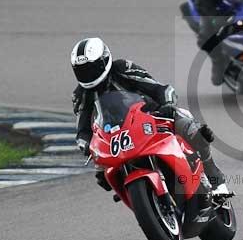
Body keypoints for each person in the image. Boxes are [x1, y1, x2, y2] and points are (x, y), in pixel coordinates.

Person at [70, 37, 231, 203]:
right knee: (102, 174)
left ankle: (216, 181)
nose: (88, 74)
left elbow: (158, 88)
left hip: (150, 117)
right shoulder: (80, 94)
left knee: (192, 129)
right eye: (82, 70)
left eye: (92, 68)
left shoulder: (122, 68)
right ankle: (138, 196)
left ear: (104, 60)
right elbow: (82, 129)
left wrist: (167, 105)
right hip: (115, 137)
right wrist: (86, 145)